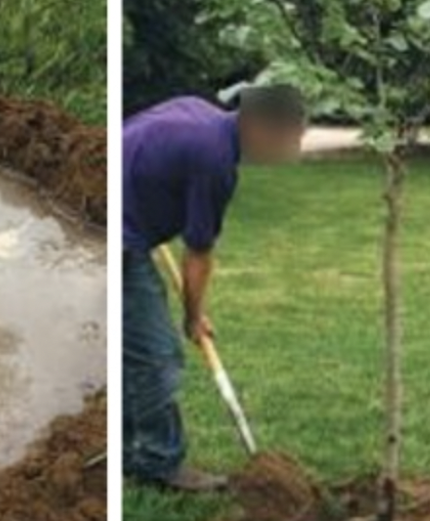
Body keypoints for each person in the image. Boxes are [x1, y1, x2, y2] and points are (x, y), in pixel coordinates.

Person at [122, 82, 307, 492]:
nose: (290, 149)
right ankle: (157, 463)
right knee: (157, 358)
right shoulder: (215, 161)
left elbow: (139, 141)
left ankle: (127, 447)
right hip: (117, 238)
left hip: (114, 207)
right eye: (288, 138)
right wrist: (193, 318)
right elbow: (198, 255)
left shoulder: (197, 111)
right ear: (259, 127)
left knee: (132, 350)